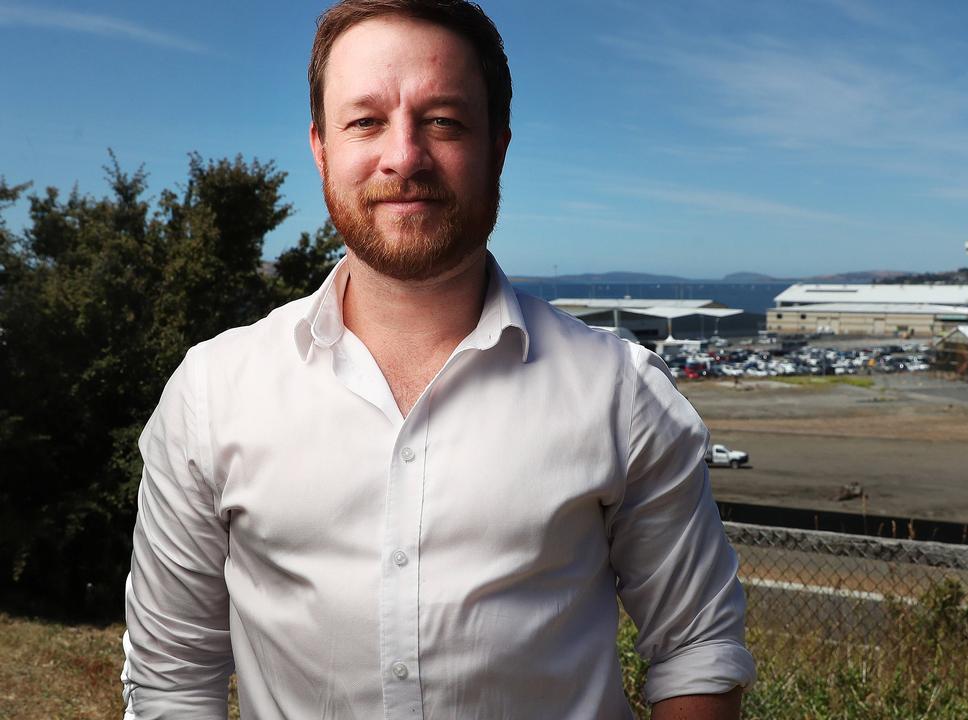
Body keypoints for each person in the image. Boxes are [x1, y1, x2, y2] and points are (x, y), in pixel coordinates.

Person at [120, 1, 755, 718]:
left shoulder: (620, 394)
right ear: (321, 148)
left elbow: (697, 649)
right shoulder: (213, 392)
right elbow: (171, 678)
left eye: (444, 120)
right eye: (365, 121)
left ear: (499, 147)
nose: (404, 156)